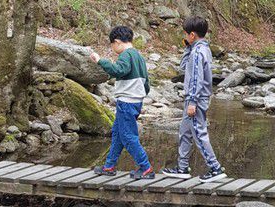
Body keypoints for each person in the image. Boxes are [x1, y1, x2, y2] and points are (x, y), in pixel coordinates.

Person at [162, 15, 227, 182]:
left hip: (196, 99)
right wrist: (187, 48)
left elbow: (197, 79)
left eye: (186, 34)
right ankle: (182, 167)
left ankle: (215, 168)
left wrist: (192, 101)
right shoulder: (199, 49)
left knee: (199, 133)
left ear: (192, 34)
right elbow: (184, 67)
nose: (184, 36)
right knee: (185, 132)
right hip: (194, 98)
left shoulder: (198, 52)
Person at [89, 25, 154, 180]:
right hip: (135, 101)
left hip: (127, 102)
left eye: (112, 45)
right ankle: (109, 166)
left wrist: (100, 61)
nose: (112, 48)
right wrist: (140, 95)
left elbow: (118, 70)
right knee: (118, 134)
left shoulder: (125, 55)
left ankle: (146, 168)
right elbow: (147, 83)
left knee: (128, 136)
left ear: (117, 42)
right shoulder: (138, 56)